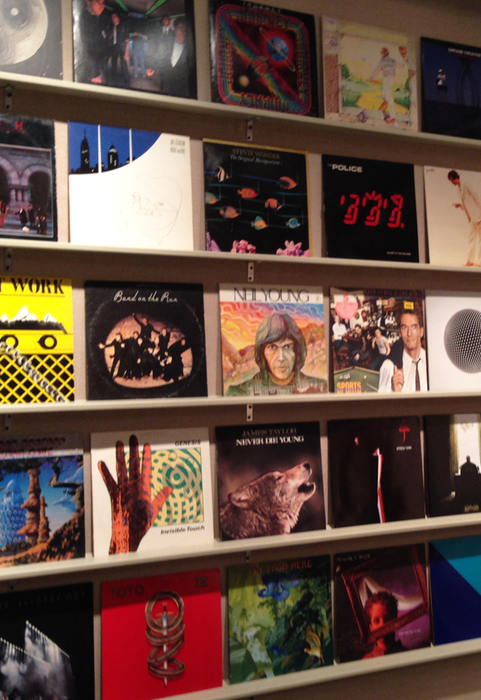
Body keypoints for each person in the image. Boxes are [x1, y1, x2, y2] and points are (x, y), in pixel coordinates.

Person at [226, 313, 327, 396]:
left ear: (297, 351)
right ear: (262, 353)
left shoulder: (321, 387)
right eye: (272, 347)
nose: (281, 358)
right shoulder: (238, 393)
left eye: (287, 347)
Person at [378, 308, 427, 392]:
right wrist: (396, 394)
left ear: (421, 331)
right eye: (404, 327)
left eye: (414, 327)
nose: (409, 333)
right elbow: (381, 400)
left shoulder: (431, 362)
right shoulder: (389, 366)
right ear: (400, 332)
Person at [448, 169, 481, 266]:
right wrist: (460, 205)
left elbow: (477, 197)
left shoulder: (465, 184)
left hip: (479, 215)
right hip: (472, 217)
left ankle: (480, 262)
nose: (452, 183)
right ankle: (470, 261)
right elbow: (466, 203)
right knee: (471, 238)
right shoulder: (458, 189)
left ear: (453, 178)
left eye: (452, 180)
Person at [76, 0, 111, 84]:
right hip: (90, 72)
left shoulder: (95, 18)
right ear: (88, 2)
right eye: (98, 2)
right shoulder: (86, 19)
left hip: (96, 67)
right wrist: (94, 73)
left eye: (103, 3)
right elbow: (85, 47)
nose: (102, 6)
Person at [370, 46, 407, 124]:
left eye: (383, 52)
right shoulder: (392, 59)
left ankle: (392, 116)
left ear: (383, 53)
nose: (383, 53)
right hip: (391, 78)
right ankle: (386, 103)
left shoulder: (383, 60)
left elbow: (377, 69)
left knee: (389, 97)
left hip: (388, 78)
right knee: (385, 92)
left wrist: (372, 76)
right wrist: (404, 58)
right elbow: (402, 65)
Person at [363, 591, 405, 658]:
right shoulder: (367, 660)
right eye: (377, 621)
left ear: (396, 622)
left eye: (387, 619)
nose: (382, 625)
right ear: (371, 628)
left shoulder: (407, 655)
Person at [108, 13, 130, 88]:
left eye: (115, 16)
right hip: (113, 47)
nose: (113, 18)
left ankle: (126, 82)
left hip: (122, 48)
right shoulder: (111, 27)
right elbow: (108, 38)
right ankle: (113, 81)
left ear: (118, 18)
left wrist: (126, 52)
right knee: (113, 64)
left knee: (123, 65)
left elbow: (127, 41)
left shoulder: (123, 26)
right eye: (112, 17)